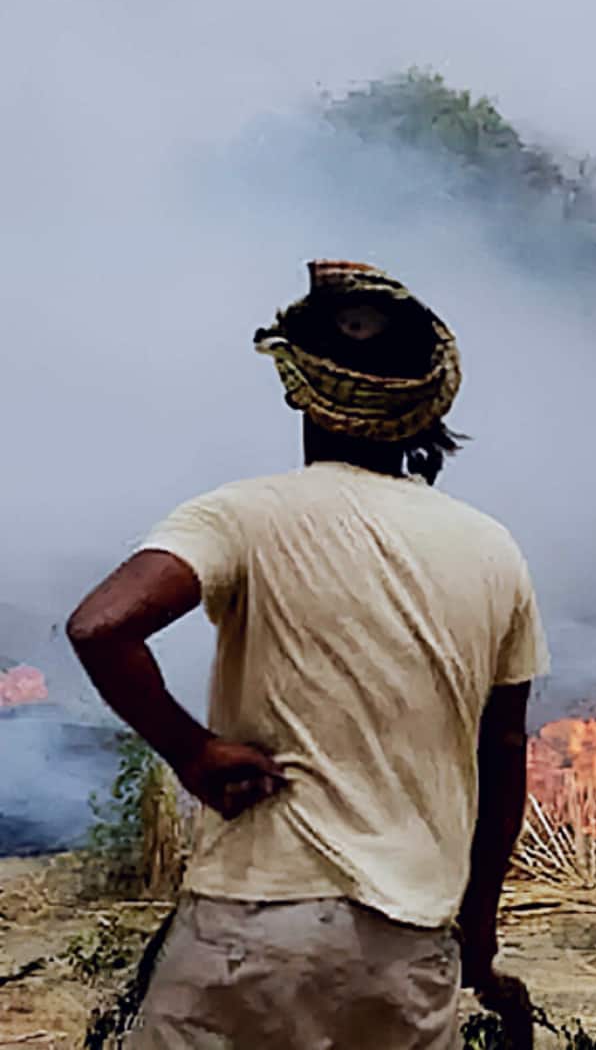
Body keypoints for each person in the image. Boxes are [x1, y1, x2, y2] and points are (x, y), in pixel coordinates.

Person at [66, 260, 549, 1048]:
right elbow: (504, 757)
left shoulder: (240, 516)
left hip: (250, 931)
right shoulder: (493, 550)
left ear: (298, 385)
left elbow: (100, 626)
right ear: (424, 403)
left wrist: (192, 752)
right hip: (407, 945)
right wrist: (479, 937)